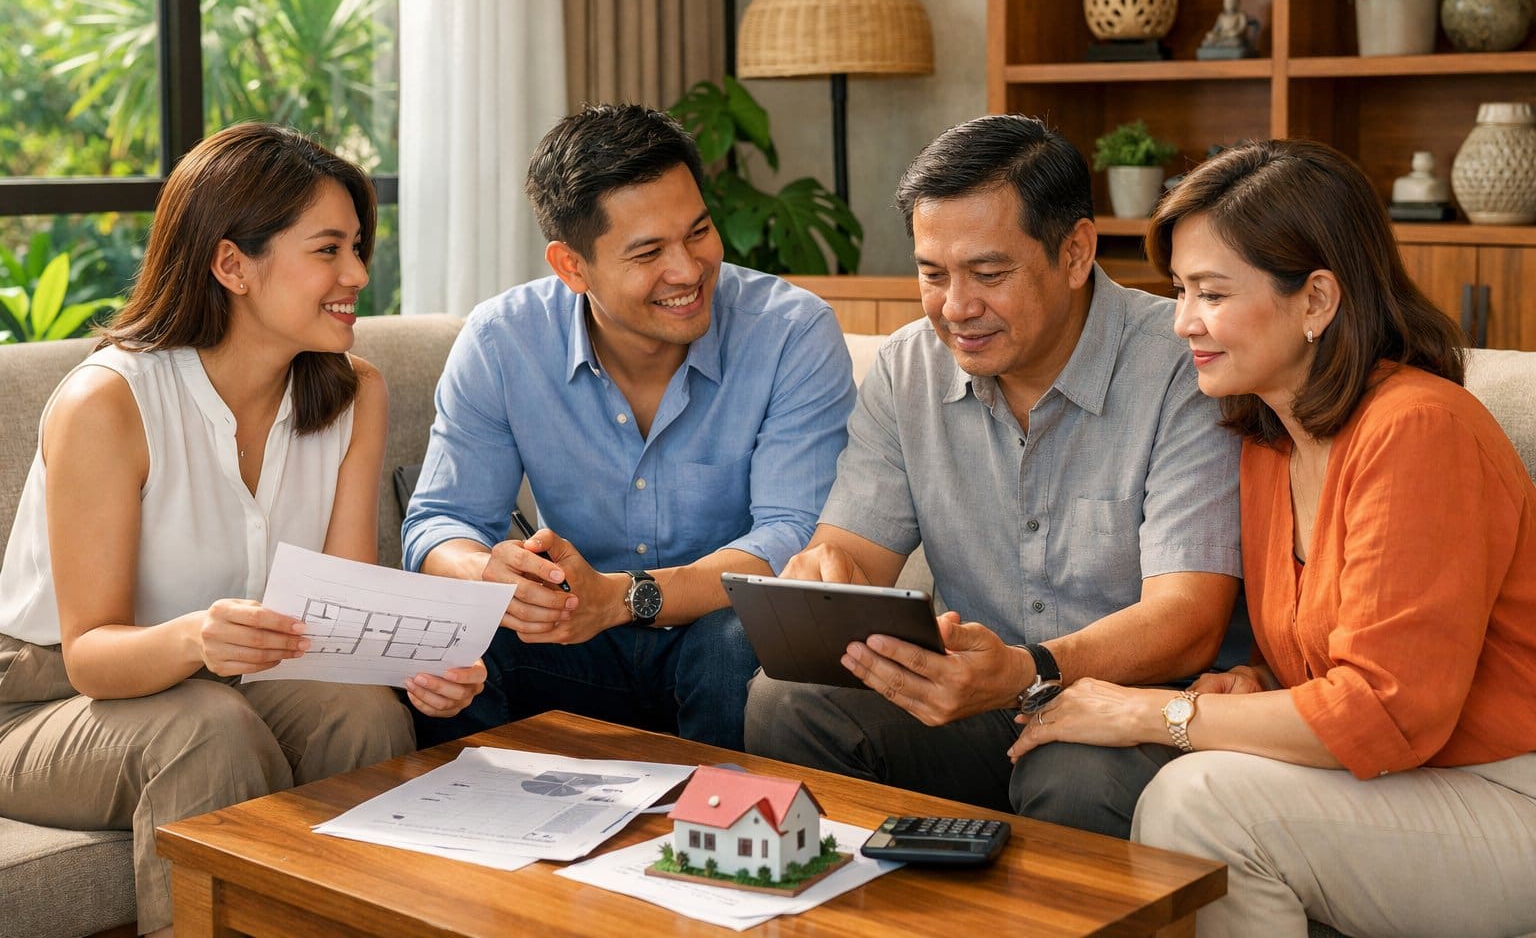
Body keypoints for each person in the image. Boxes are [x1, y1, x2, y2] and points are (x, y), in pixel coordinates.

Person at [1008, 139, 1536, 937]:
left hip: (1505, 794)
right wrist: (1254, 679)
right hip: (1406, 781)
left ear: (1317, 299)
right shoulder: (1267, 442)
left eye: (1212, 293)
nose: (1183, 321)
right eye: (1180, 291)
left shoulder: (1420, 428)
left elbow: (1385, 711)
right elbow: (1338, 643)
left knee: (1200, 803)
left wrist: (1152, 713)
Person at [0, 123, 484, 938]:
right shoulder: (109, 404)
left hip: (242, 672)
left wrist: (415, 667)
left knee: (363, 713)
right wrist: (196, 638)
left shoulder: (353, 393)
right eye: (327, 250)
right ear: (232, 266)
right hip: (52, 699)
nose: (358, 274)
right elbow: (89, 653)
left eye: (357, 247)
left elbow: (340, 623)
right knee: (205, 732)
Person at [743, 114, 1243, 838]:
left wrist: (1023, 669)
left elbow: (1188, 622)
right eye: (931, 275)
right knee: (783, 701)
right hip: (974, 703)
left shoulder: (1179, 367)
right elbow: (854, 550)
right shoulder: (908, 366)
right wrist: (830, 574)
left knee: (1071, 775)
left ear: (1075, 253)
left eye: (987, 273)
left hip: (1130, 712)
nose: (956, 308)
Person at [403, 104, 856, 752]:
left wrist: (623, 598)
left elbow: (792, 538)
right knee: (457, 628)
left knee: (737, 640)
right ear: (571, 267)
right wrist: (491, 578)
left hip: (717, 641)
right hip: (575, 643)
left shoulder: (791, 333)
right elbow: (439, 522)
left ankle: (721, 846)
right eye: (648, 252)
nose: (688, 269)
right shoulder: (504, 339)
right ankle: (481, 843)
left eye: (698, 232)